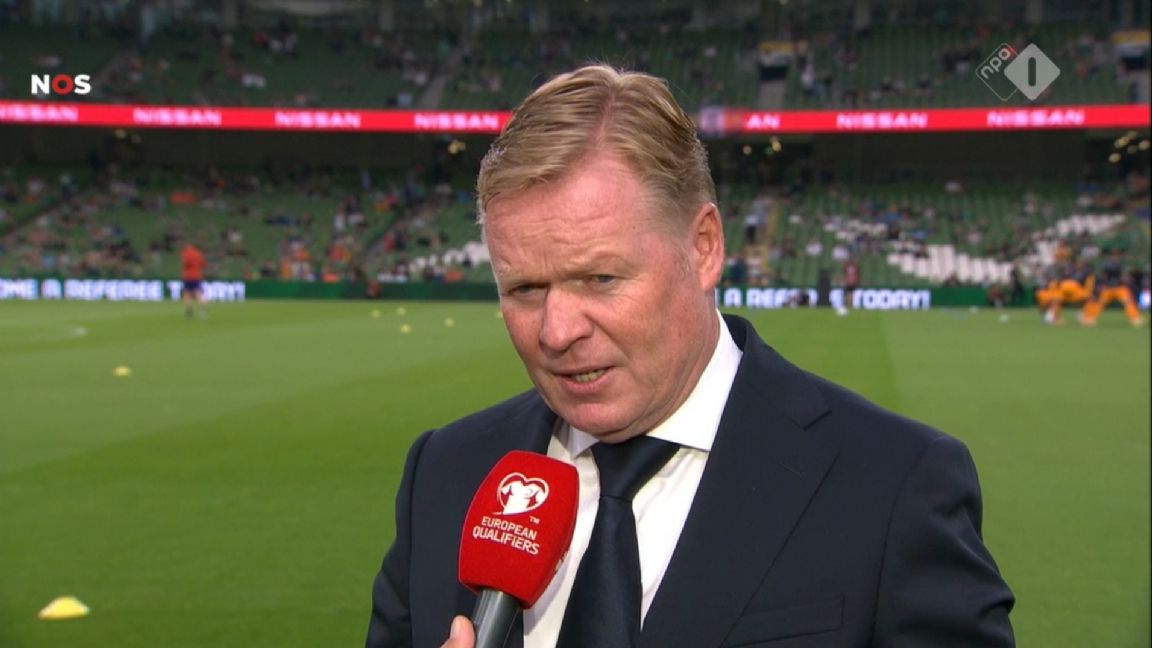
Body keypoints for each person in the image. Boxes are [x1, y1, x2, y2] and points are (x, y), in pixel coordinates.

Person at [366, 65, 1015, 648]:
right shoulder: (446, 472)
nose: (557, 332)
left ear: (703, 247)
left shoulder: (894, 485)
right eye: (525, 290)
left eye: (601, 279)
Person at [181, 242, 206, 319]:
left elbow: (185, 263)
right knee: (198, 293)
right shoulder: (199, 254)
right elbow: (203, 264)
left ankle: (189, 310)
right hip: (197, 276)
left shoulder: (186, 253)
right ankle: (202, 309)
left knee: (186, 293)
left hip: (188, 276)